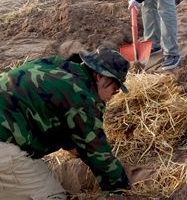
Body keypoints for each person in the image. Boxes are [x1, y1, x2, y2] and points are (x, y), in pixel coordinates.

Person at [0, 46, 132, 197]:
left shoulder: (53, 66)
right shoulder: (82, 97)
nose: (113, 95)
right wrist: (121, 189)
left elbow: (52, 110)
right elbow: (97, 151)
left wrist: (70, 143)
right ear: (101, 77)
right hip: (3, 144)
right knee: (53, 195)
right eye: (115, 89)